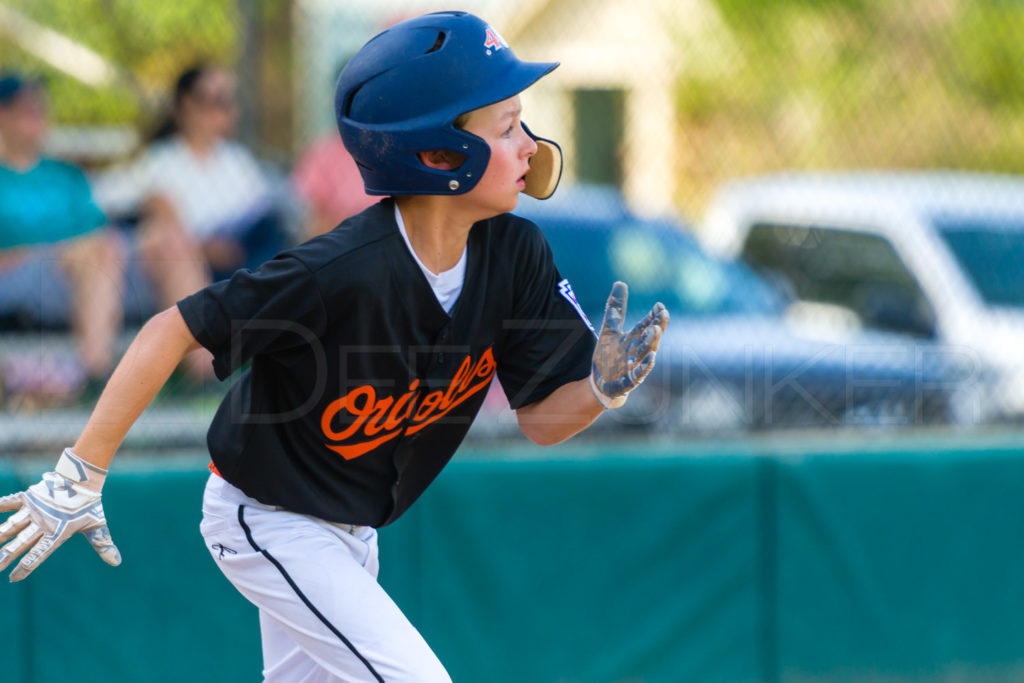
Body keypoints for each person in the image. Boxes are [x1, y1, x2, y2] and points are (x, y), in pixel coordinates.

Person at [0, 12, 669, 682]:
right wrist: (80, 474)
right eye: (506, 126)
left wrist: (599, 391)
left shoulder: (516, 252)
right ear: (438, 155)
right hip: (268, 518)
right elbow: (170, 327)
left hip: (351, 531)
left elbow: (540, 419)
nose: (530, 144)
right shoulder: (343, 267)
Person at [95, 64, 287, 282]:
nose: (228, 110)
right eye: (217, 101)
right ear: (187, 105)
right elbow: (108, 196)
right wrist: (153, 205)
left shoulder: (238, 160)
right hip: (188, 258)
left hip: (243, 258)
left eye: (230, 101)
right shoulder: (160, 160)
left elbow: (264, 209)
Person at [0, 74, 124, 395]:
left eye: (42, 110)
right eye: (28, 110)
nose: (38, 117)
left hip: (73, 271)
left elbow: (98, 232)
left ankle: (93, 373)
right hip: (14, 273)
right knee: (97, 251)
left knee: (106, 248)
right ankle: (97, 380)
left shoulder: (66, 174)